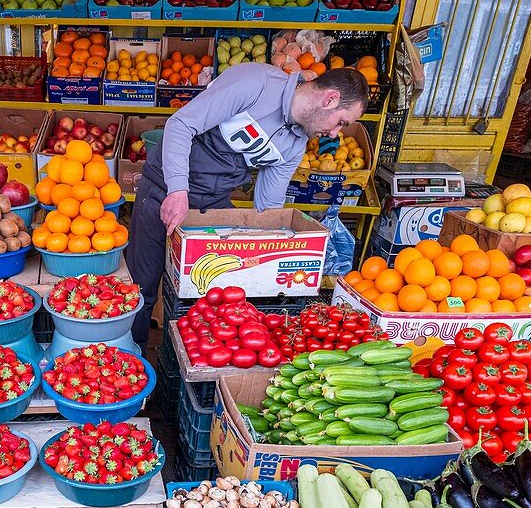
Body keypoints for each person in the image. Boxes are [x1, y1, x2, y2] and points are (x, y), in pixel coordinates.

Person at [125, 62, 369, 346]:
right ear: (330, 99)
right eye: (341, 122)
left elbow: (267, 207)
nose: (334, 134)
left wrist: (276, 250)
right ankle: (134, 362)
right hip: (165, 186)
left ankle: (183, 364)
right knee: (142, 287)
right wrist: (177, 189)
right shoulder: (257, 83)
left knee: (206, 296)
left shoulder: (294, 144)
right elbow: (181, 124)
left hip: (212, 205)